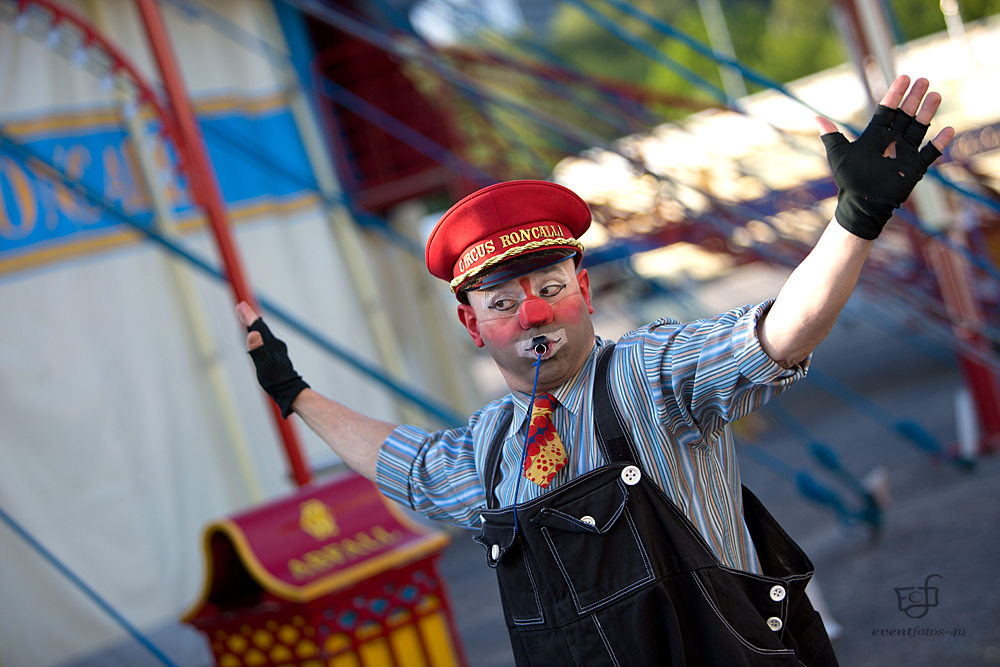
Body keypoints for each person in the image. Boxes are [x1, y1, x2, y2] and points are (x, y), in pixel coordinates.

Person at [236, 75, 954, 666]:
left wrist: (854, 220)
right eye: (503, 302)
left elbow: (777, 333)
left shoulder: (652, 374)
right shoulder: (484, 452)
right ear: (473, 324)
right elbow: (406, 462)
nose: (533, 316)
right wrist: (294, 394)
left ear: (581, 289)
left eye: (549, 289)